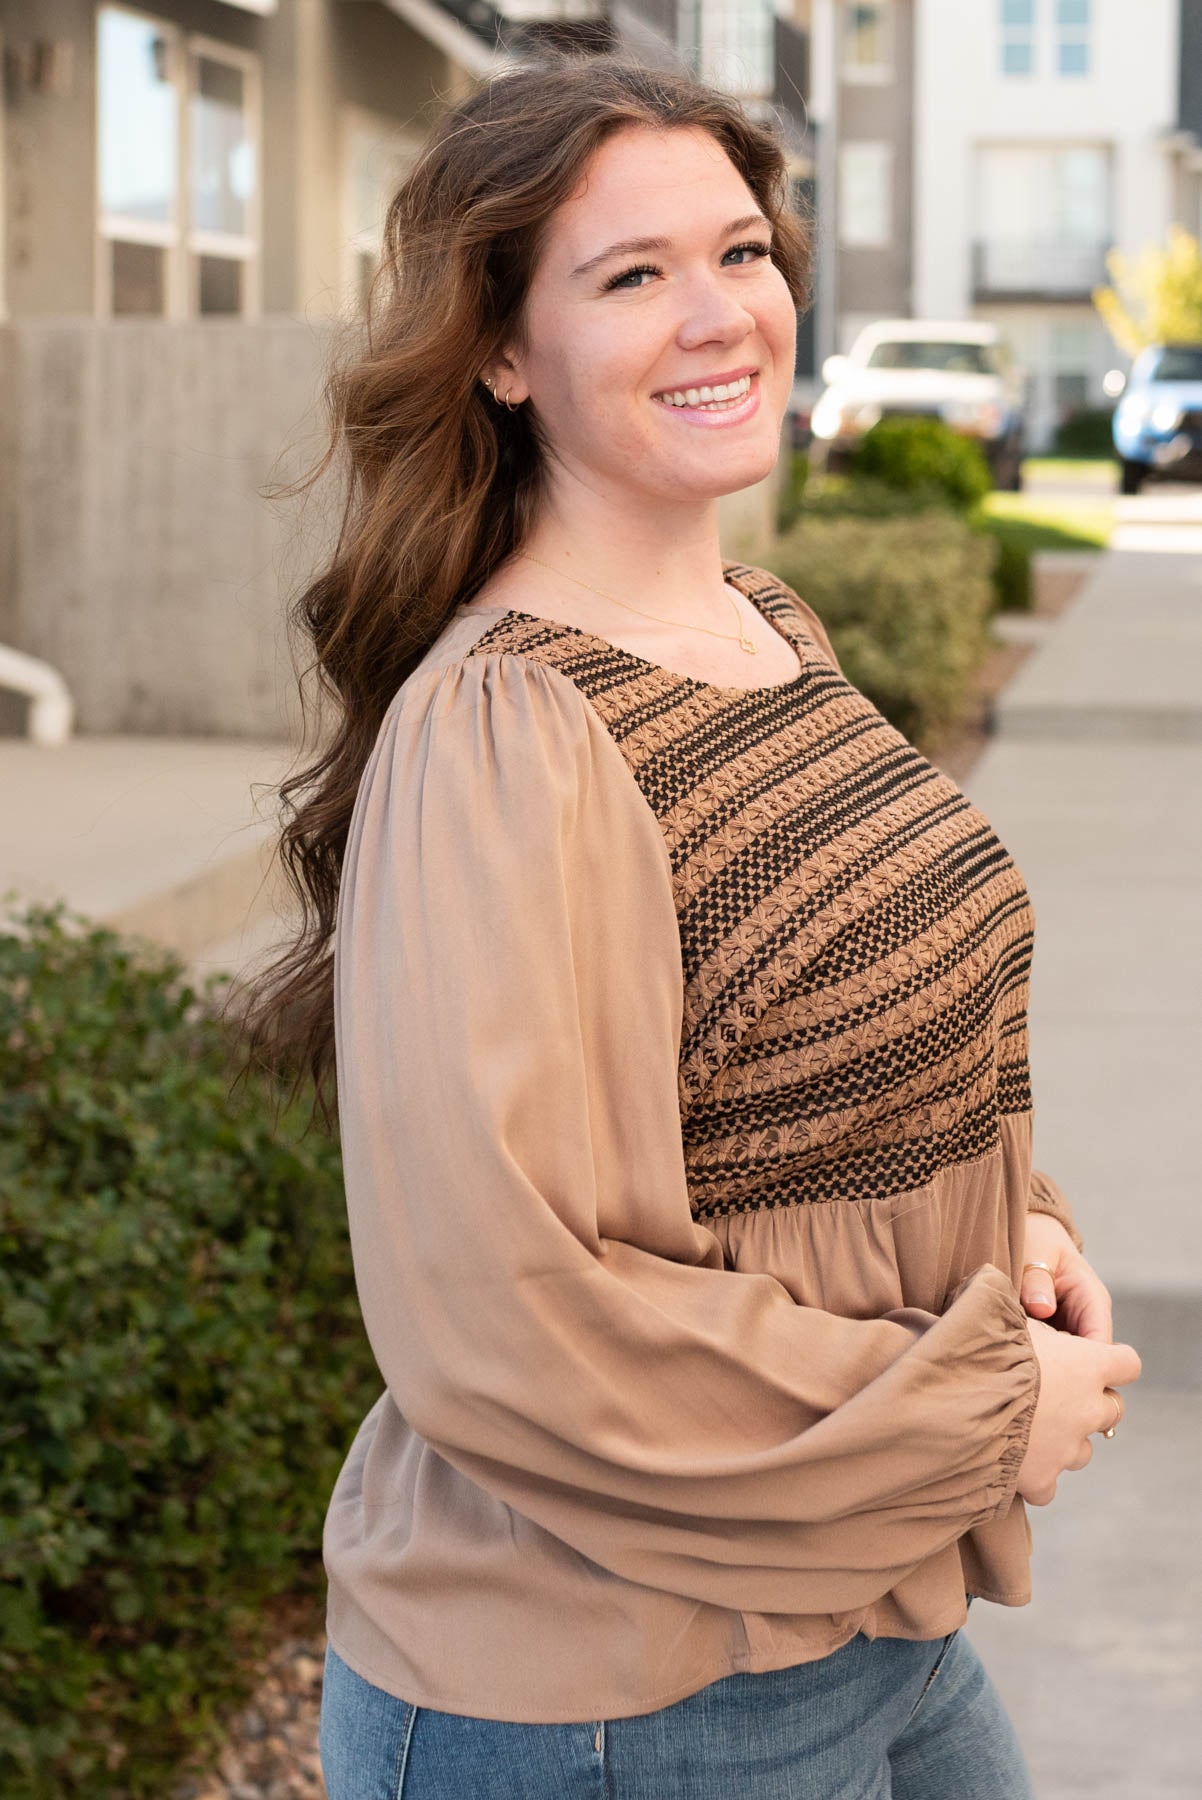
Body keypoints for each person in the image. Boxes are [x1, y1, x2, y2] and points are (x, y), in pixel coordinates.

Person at [245, 52, 1142, 1799]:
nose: (719, 313)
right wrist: (975, 1412)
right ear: (502, 354)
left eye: (740, 252)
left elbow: (838, 1032)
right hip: (611, 1691)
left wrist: (1012, 1238)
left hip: (862, 1618)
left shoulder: (761, 625)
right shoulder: (508, 728)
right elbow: (505, 1310)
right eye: (631, 275)